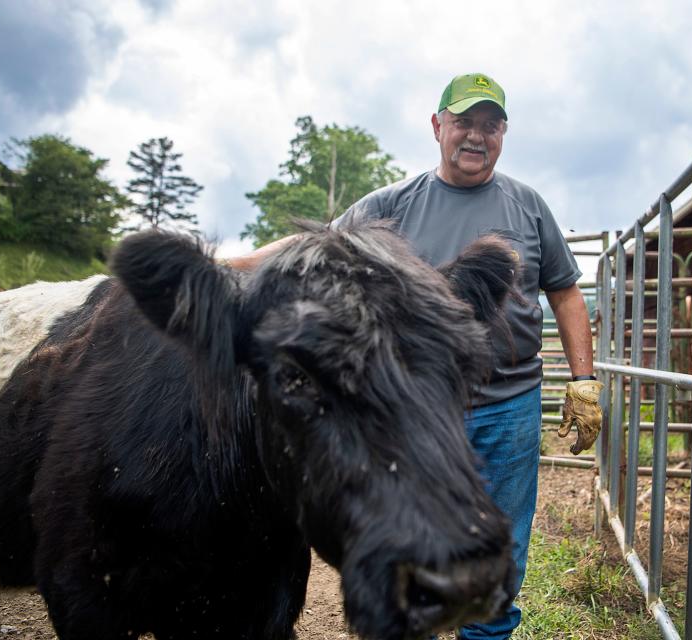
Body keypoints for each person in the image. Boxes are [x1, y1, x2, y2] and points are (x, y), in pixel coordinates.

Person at [228, 72, 603, 640]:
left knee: (502, 535)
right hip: (416, 404)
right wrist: (223, 268)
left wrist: (585, 379)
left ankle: (487, 633)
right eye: (463, 123)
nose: (476, 136)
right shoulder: (392, 205)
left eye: (490, 125)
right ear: (437, 127)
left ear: (503, 134)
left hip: (510, 401)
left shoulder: (528, 206)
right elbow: (309, 247)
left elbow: (566, 292)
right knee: (407, 525)